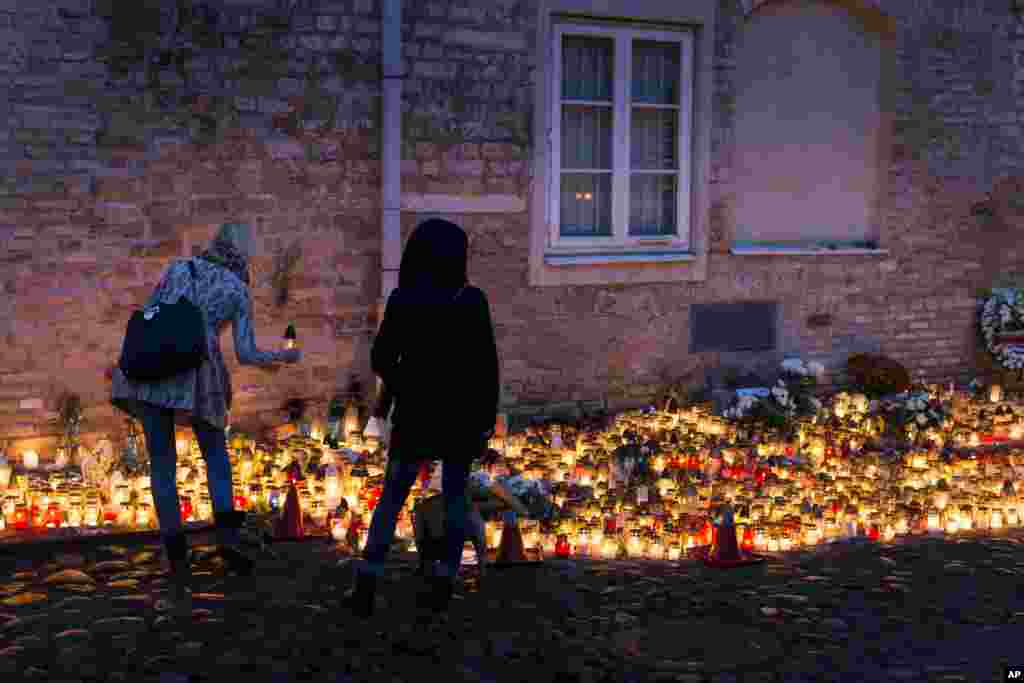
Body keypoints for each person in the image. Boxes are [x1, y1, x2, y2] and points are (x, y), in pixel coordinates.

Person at [111, 222, 301, 599]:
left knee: (162, 463)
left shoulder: (179, 268)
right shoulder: (237, 289)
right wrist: (282, 357)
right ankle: (228, 542)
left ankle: (176, 555)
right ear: (243, 253)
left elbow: (153, 312)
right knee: (215, 456)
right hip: (200, 374)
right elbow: (246, 352)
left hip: (152, 370)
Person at [344, 218, 499, 617]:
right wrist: (484, 422)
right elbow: (486, 368)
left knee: (392, 497)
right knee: (453, 498)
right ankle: (445, 580)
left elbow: (381, 358)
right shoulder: (471, 300)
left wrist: (407, 381)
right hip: (459, 417)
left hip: (415, 414)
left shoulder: (404, 298)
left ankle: (368, 577)